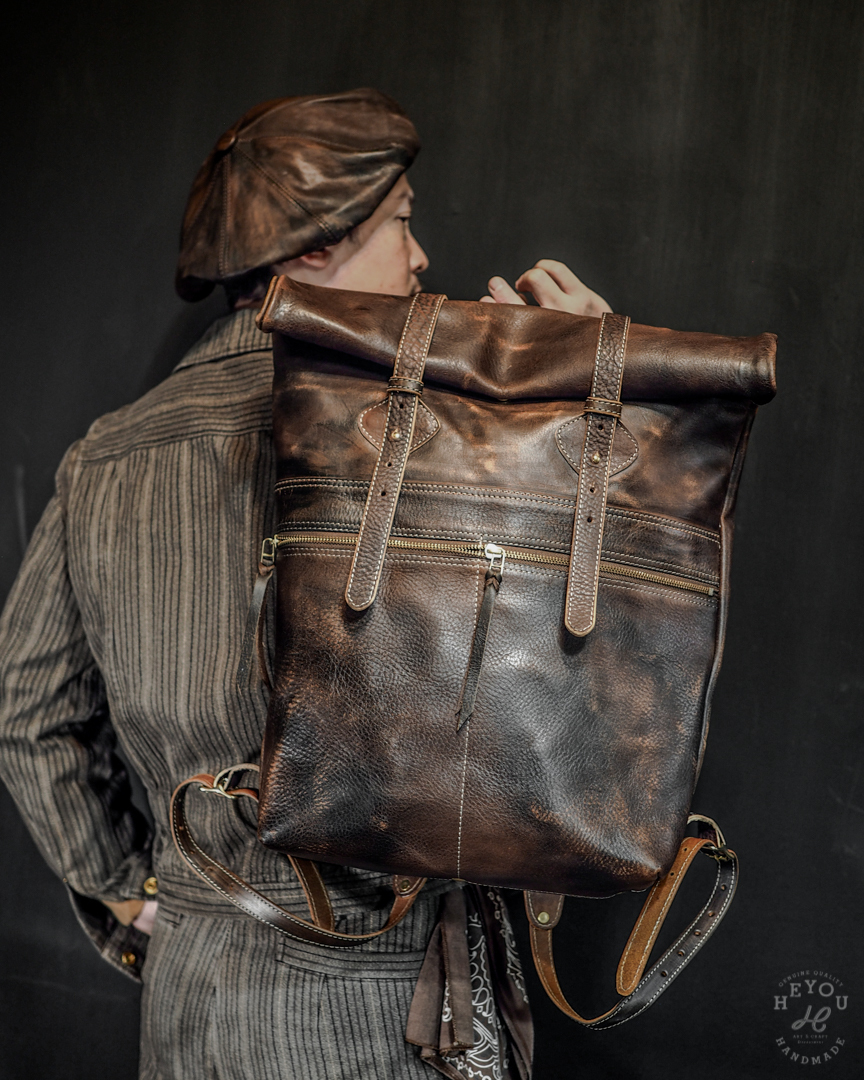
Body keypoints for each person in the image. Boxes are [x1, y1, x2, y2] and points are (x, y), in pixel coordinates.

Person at [0, 89, 610, 1079]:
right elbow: (559, 691)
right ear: (316, 246)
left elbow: (27, 711)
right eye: (401, 222)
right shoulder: (428, 435)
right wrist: (590, 402)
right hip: (381, 1003)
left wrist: (131, 890)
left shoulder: (102, 455)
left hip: (188, 990)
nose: (421, 257)